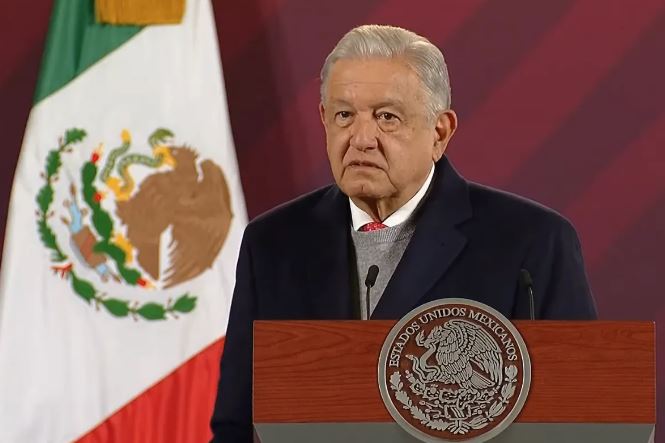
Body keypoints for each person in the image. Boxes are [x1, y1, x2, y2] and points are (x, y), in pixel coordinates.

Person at [210, 24, 597, 442]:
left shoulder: (531, 244)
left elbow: (582, 420)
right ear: (324, 120)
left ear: (439, 132)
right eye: (344, 115)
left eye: (387, 117)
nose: (361, 139)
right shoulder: (273, 243)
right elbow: (236, 426)